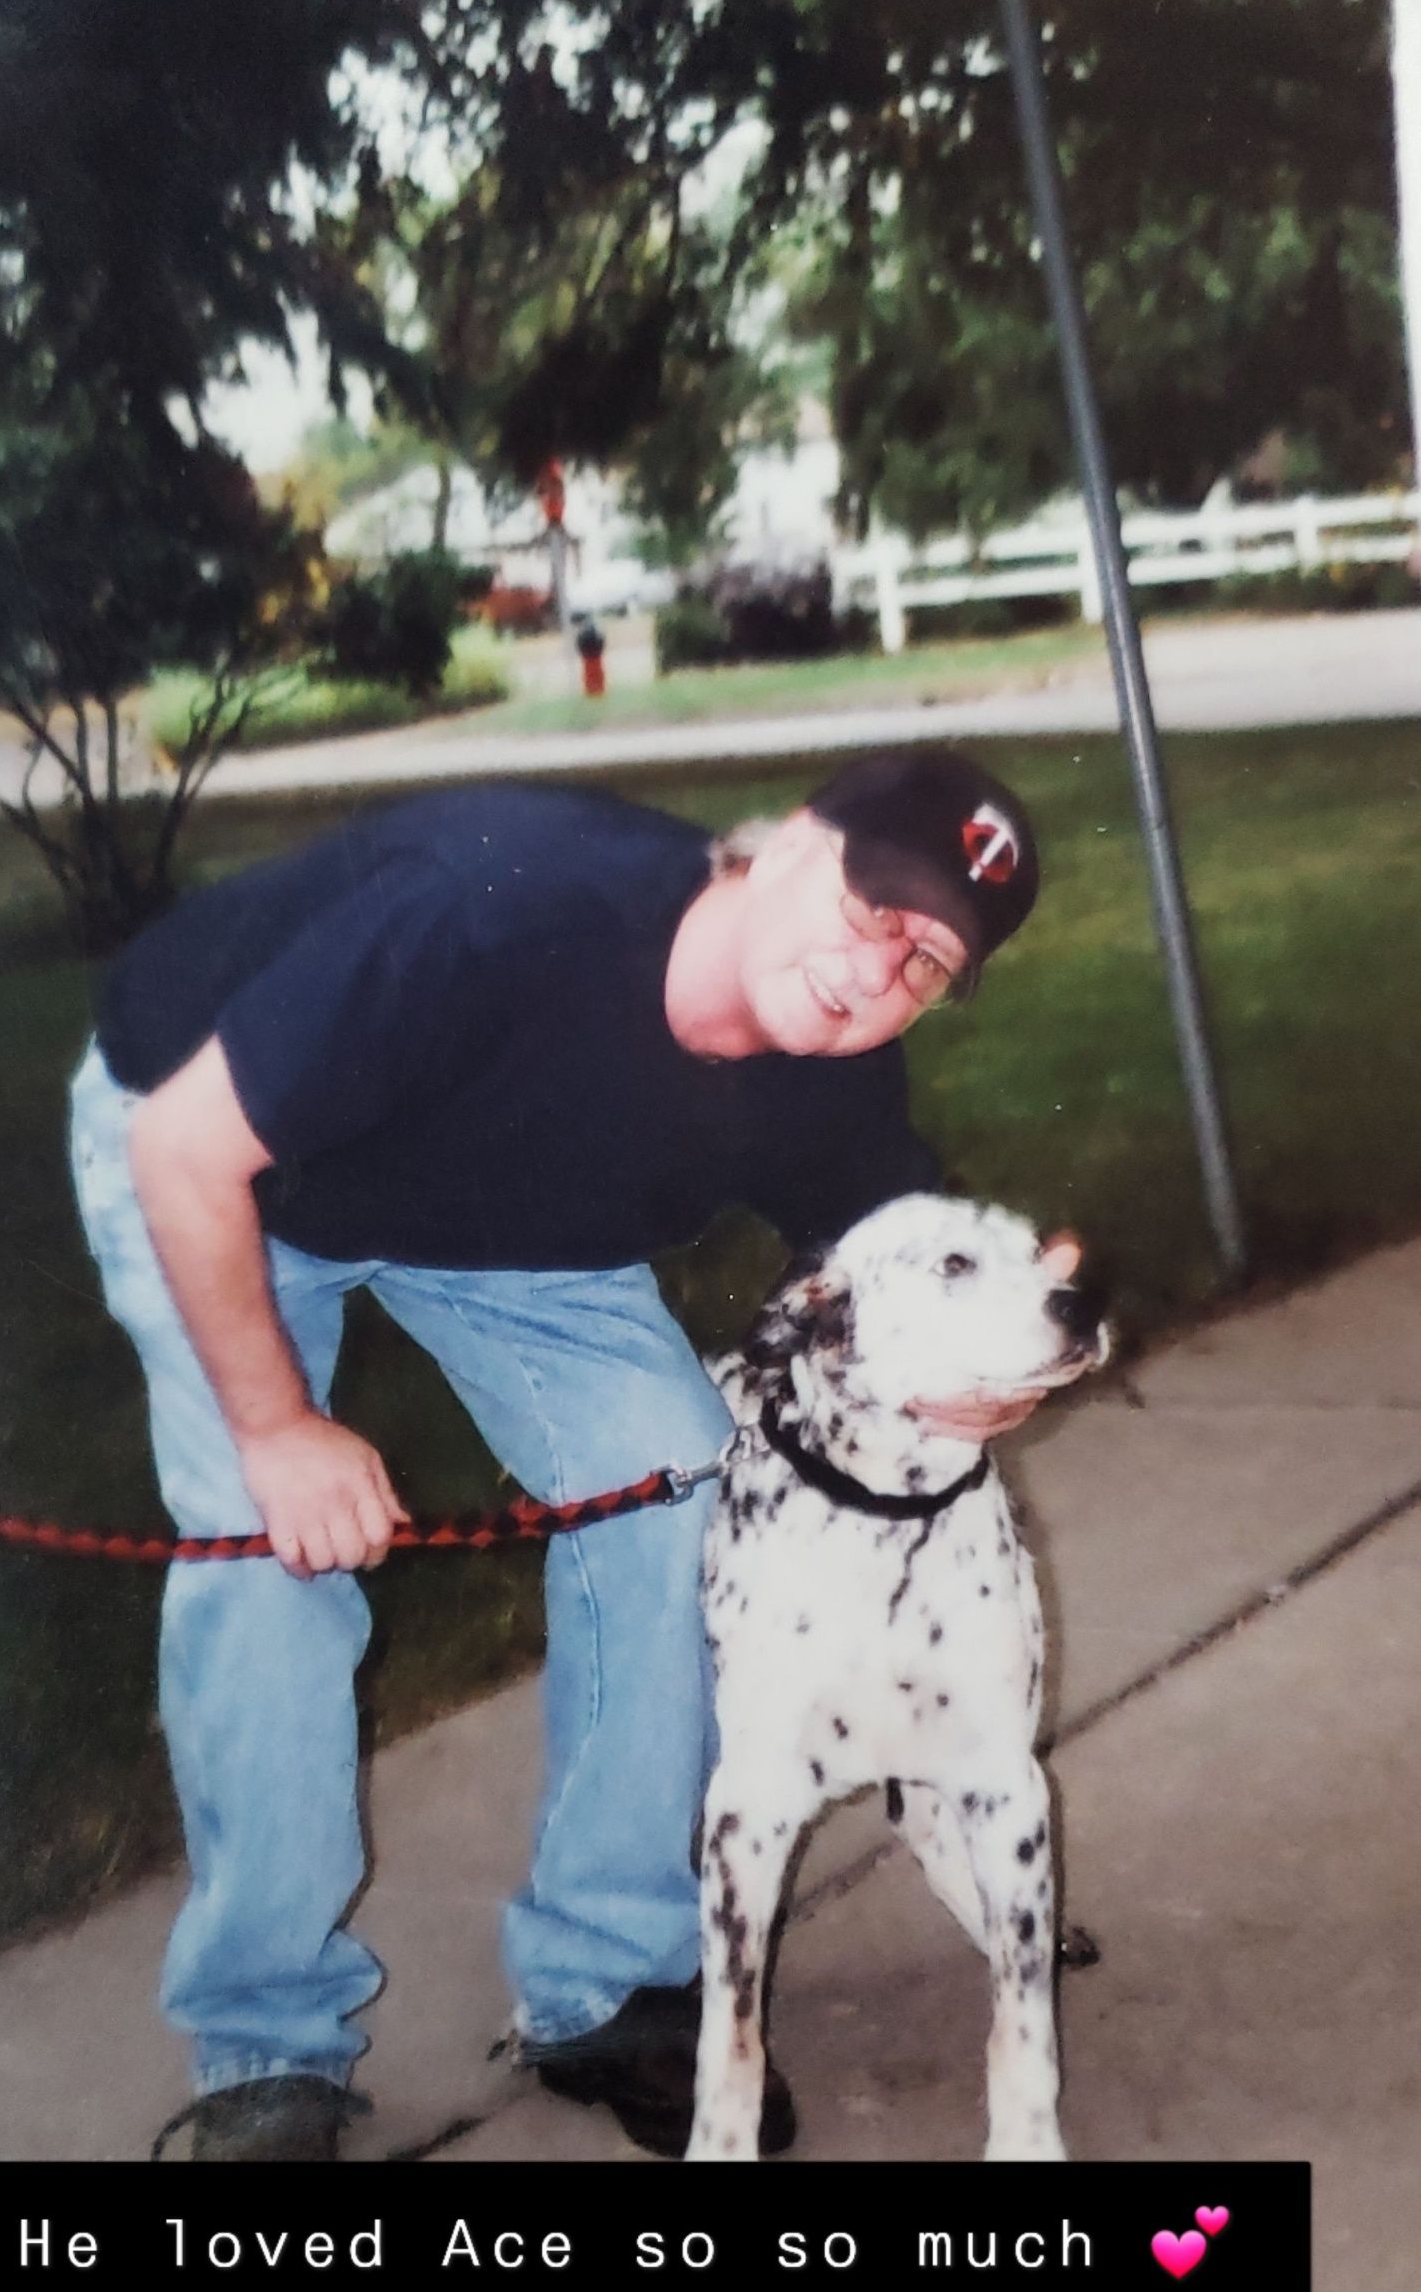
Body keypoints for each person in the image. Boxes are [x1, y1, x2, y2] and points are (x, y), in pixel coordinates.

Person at [69, 747, 1042, 2162]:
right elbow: (184, 1153)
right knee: (268, 1556)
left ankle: (611, 1979)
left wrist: (973, 1374)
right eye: (873, 905)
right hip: (227, 1164)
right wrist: (279, 1434)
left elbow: (904, 1249)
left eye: (925, 964)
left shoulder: (824, 1071)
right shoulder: (498, 907)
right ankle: (263, 2046)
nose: (875, 970)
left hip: (506, 1228)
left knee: (678, 1482)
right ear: (776, 848)